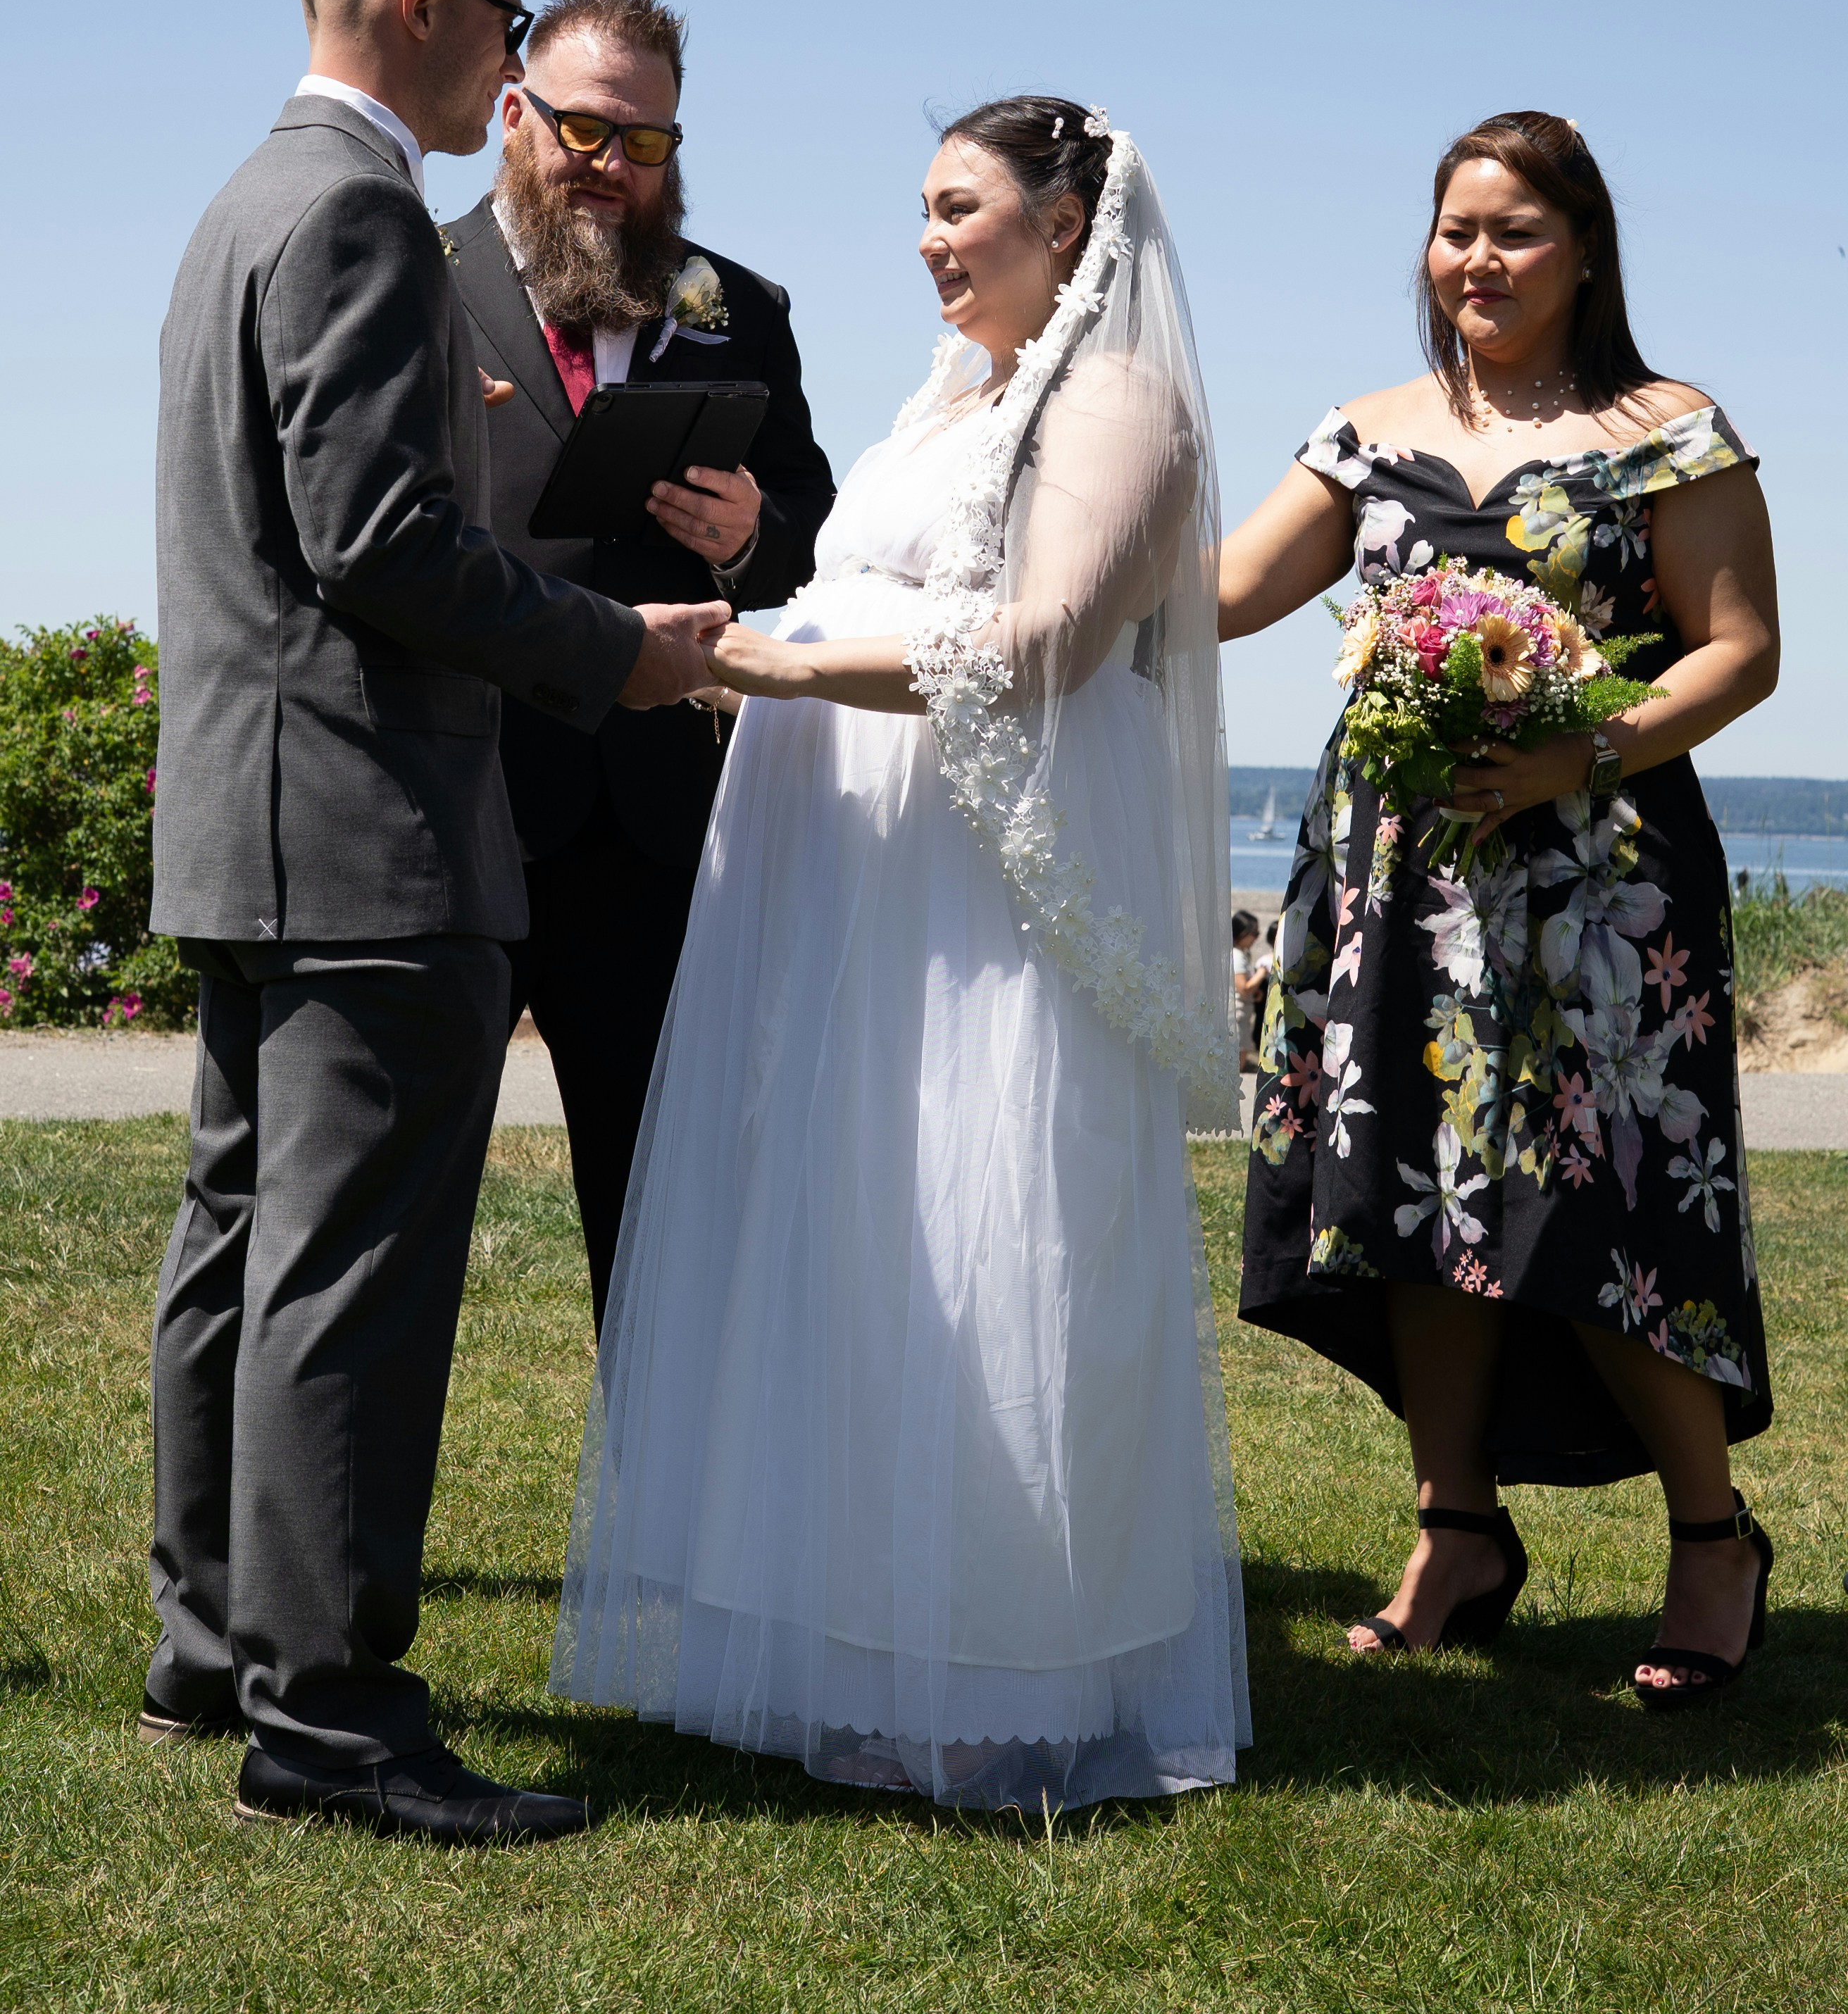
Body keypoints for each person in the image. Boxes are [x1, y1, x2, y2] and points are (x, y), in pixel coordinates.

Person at [551, 99, 1249, 1808]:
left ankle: (1015, 1667)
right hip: (866, 884)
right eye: (919, 212)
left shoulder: (1120, 405)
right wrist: (762, 595)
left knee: (1002, 1219)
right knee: (875, 1242)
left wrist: (770, 671)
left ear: (1067, 223)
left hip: (991, 892)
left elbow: (1039, 644)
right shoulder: (953, 398)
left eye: (959, 209)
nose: (928, 241)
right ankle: (860, 1638)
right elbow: (865, 586)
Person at [145, 0, 728, 1844]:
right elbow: (378, 540)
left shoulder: (246, 198)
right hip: (375, 833)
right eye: (497, 24)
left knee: (241, 1242)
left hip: (254, 827)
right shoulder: (362, 208)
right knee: (353, 1287)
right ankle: (323, 1717)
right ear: (422, 2)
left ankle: (212, 1644)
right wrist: (620, 651)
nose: (510, 63)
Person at [1218, 111, 1778, 1708]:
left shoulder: (1666, 430)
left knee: (1611, 1209)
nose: (1473, 258)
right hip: (1396, 877)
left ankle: (1709, 1537)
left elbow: (1737, 650)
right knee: (1410, 1193)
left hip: (1601, 891)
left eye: (1511, 231)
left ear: (1582, 250)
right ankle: (1451, 1530)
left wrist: (1572, 750)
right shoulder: (1362, 429)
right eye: (1452, 229)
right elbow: (1222, 591)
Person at [440, 0, 834, 1327]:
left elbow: (810, 528)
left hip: (655, 825)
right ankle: (358, 1528)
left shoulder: (739, 307)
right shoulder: (412, 281)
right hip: (459, 798)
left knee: (666, 1215)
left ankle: (663, 1534)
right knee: (408, 1193)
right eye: (588, 131)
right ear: (512, 114)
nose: (617, 168)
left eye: (651, 142)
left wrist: (748, 535)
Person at [1231, 909, 1265, 1070]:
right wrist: (1262, 972)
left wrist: (1255, 993)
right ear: (1242, 932)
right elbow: (1244, 988)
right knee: (1238, 1059)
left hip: (1242, 1014)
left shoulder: (1240, 954)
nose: (1256, 937)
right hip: (1237, 1016)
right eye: (1254, 933)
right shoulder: (1237, 956)